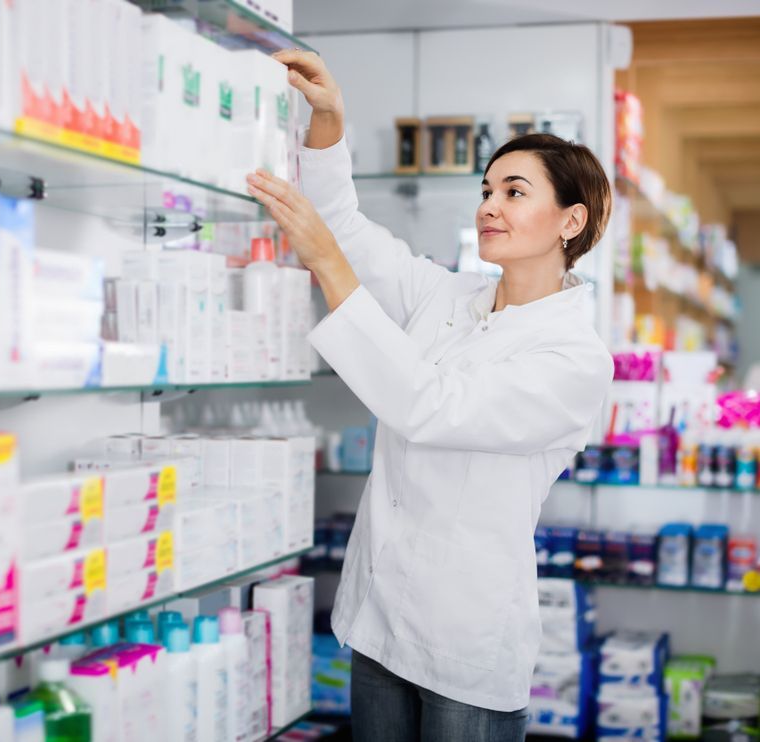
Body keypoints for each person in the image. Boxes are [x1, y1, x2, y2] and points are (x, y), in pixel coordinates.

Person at [245, 51, 615, 742]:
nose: (489, 206)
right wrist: (327, 119)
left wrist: (326, 263)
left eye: (513, 191)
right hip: (379, 616)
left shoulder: (576, 359)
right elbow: (345, 230)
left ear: (571, 222)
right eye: (486, 190)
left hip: (465, 644)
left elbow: (435, 405)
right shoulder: (448, 297)